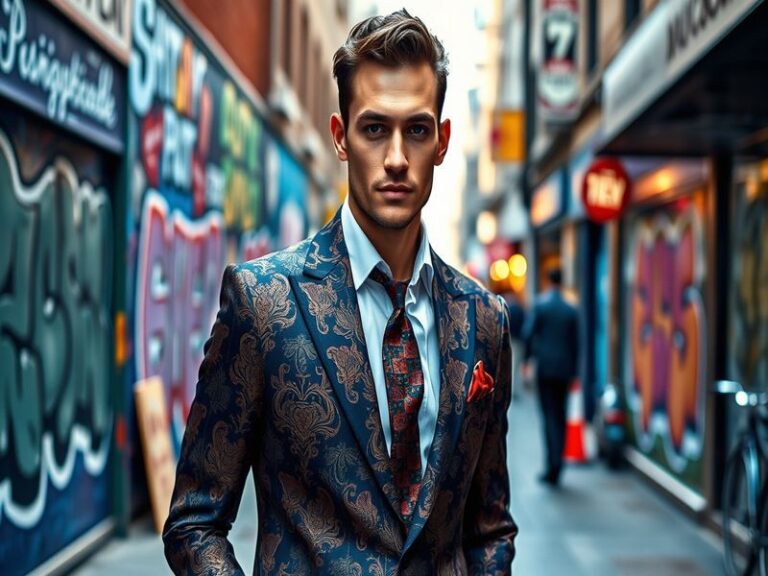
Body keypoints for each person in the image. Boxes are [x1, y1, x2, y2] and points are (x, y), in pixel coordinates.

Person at [163, 9, 517, 574]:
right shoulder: (263, 303)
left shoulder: (485, 321)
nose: (397, 158)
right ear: (340, 136)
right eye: (375, 128)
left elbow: (489, 526)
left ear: (443, 141)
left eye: (417, 130)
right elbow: (194, 521)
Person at [522, 268, 579, 487]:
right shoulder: (570, 310)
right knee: (561, 416)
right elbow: (576, 343)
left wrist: (527, 361)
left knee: (548, 417)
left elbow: (528, 334)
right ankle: (559, 463)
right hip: (564, 370)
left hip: (545, 369)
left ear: (548, 280)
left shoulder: (540, 306)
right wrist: (575, 372)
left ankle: (551, 465)